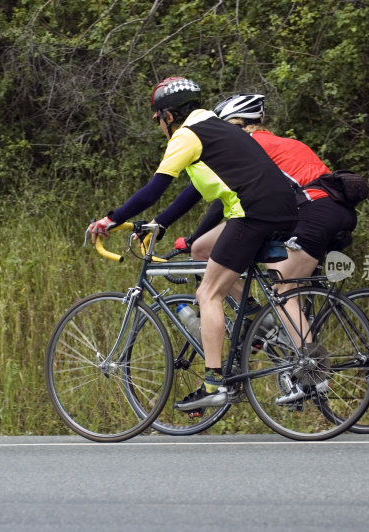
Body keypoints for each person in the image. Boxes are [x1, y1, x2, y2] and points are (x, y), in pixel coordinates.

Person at [88, 78, 297, 411]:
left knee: (208, 294)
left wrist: (110, 219)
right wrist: (160, 224)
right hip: (278, 207)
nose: (158, 125)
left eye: (157, 119)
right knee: (202, 247)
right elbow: (193, 193)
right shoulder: (215, 127)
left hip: (253, 212)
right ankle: (258, 318)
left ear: (168, 116)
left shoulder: (187, 135)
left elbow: (154, 189)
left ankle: (214, 383)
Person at [179, 93, 358, 361]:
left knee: (284, 291)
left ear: (236, 125)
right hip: (336, 210)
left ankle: (313, 372)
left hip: (310, 210)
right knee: (207, 249)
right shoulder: (283, 142)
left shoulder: (245, 147)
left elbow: (223, 198)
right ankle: (256, 317)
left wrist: (192, 239)